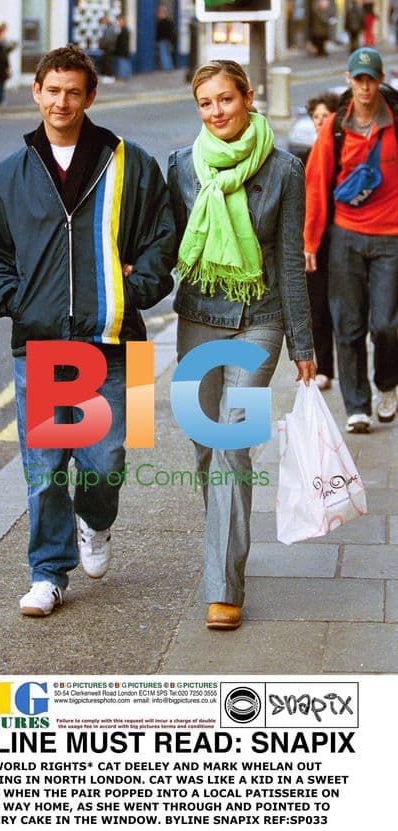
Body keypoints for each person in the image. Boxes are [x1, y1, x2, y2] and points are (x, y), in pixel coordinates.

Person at [0, 45, 176, 616]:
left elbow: (164, 236)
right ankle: (48, 572)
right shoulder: (6, 176)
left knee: (107, 462)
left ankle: (98, 522)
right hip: (41, 340)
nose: (62, 101)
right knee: (45, 467)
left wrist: (136, 290)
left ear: (91, 96)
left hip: (117, 336)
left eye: (73, 91)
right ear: (36, 92)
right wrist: (17, 302)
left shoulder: (130, 163)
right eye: (52, 90)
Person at [168, 60, 315, 631]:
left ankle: (224, 585)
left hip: (261, 320)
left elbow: (288, 261)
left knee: (231, 444)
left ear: (248, 99)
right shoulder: (183, 165)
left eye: (226, 99)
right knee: (206, 448)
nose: (217, 112)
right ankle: (224, 540)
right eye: (206, 103)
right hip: (199, 317)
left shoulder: (284, 169)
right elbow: (169, 243)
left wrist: (302, 340)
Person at [304, 47, 398, 434]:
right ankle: (357, 407)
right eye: (357, 79)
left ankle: (388, 383)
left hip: (391, 237)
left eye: (370, 79)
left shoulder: (394, 123)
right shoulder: (336, 129)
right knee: (348, 324)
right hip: (346, 235)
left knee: (388, 325)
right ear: (349, 80)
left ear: (379, 80)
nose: (363, 86)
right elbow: (316, 184)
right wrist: (310, 243)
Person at [305, 92, 339, 391]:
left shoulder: (345, 155)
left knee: (349, 310)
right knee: (318, 307)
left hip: (341, 239)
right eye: (316, 118)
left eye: (325, 117)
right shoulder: (305, 158)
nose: (320, 123)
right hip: (314, 243)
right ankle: (325, 367)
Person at [0, 23, 15, 107]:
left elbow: (7, 53)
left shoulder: (3, 44)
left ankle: (0, 99)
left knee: (2, 84)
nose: (4, 35)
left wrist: (12, 46)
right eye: (3, 33)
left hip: (3, 67)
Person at [156, 5, 177, 71]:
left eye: (160, 13)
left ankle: (167, 68)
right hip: (167, 40)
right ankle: (169, 67)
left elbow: (166, 32)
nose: (158, 15)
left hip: (164, 41)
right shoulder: (167, 22)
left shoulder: (164, 22)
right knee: (167, 54)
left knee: (164, 55)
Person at [98, 14, 117, 82]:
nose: (103, 22)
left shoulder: (111, 28)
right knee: (106, 63)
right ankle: (107, 76)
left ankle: (110, 77)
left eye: (104, 21)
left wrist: (103, 45)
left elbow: (109, 39)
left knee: (108, 63)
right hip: (106, 48)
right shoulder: (107, 27)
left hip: (109, 49)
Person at [114, 15, 132, 80]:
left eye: (120, 21)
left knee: (123, 64)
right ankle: (124, 76)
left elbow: (123, 43)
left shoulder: (124, 30)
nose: (118, 23)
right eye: (118, 21)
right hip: (122, 52)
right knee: (123, 64)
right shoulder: (121, 30)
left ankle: (123, 76)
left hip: (123, 51)